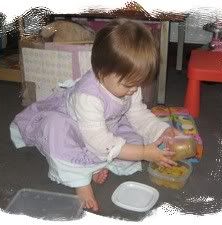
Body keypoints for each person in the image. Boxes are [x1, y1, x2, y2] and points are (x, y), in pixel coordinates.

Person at [10, 18, 181, 212]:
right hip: (72, 126)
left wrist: (161, 130)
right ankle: (81, 181)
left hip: (106, 126)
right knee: (55, 130)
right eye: (128, 85)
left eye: (137, 83)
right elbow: (98, 140)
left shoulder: (130, 85)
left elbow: (139, 114)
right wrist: (144, 153)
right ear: (101, 72)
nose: (134, 90)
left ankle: (96, 165)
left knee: (135, 139)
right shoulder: (87, 96)